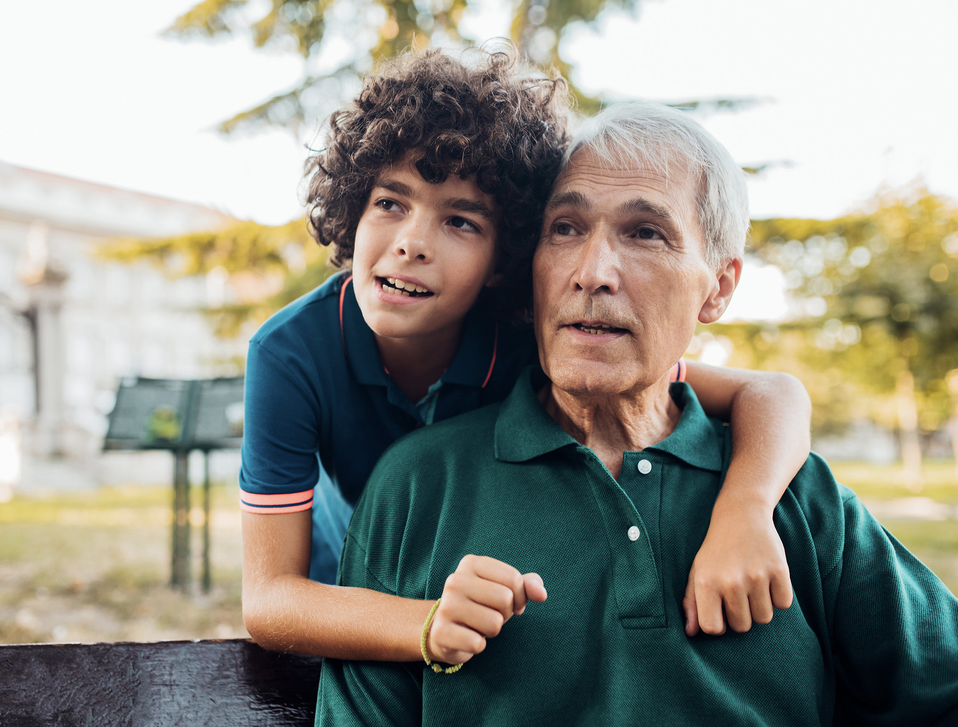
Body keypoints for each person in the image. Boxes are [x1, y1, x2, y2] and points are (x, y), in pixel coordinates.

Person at [315, 101, 958, 725]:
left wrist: (746, 507)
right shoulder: (418, 483)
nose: (593, 273)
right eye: (564, 228)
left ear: (720, 287)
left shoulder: (792, 493)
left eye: (646, 233)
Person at [239, 47, 813, 666]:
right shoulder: (289, 353)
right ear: (352, 207)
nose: (410, 244)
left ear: (505, 258)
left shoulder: (532, 343)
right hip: (350, 578)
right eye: (390, 202)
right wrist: (426, 623)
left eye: (460, 222)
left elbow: (773, 393)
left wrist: (746, 509)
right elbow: (270, 599)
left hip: (479, 586)